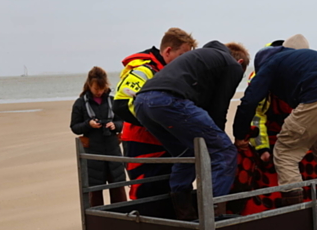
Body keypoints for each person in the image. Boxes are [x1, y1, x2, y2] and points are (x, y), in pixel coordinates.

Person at [133, 41, 250, 220]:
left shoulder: (203, 59)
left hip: (142, 103)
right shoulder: (232, 65)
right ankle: (213, 217)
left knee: (186, 151)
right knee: (225, 152)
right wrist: (218, 142)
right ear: (240, 63)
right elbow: (219, 109)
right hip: (168, 100)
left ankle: (184, 213)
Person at [233, 46, 317, 206]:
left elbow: (249, 102)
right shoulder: (303, 58)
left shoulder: (270, 64)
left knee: (285, 152)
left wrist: (239, 134)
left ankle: (295, 209)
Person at [113, 28, 197, 200]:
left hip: (166, 141)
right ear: (167, 51)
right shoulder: (144, 70)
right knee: (146, 193)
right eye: (182, 55)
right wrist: (159, 124)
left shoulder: (172, 73)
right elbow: (120, 104)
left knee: (172, 189)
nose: (185, 61)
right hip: (141, 142)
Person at [70, 67, 127, 207]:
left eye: (101, 88)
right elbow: (74, 127)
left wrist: (115, 126)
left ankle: (122, 216)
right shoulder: (80, 103)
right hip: (93, 152)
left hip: (113, 149)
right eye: (96, 89)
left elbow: (123, 122)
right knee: (95, 190)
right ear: (89, 85)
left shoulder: (113, 101)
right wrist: (88, 124)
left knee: (118, 187)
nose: (99, 92)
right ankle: (97, 219)